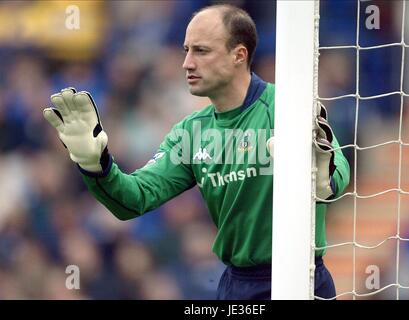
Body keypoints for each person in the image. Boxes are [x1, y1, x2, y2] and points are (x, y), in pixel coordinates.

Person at [43, 4, 350, 300]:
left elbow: (339, 171)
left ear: (238, 56)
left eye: (201, 51)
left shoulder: (286, 105)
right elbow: (133, 199)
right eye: (186, 50)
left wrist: (321, 180)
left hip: (303, 278)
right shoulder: (191, 133)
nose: (187, 63)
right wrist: (95, 165)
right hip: (236, 284)